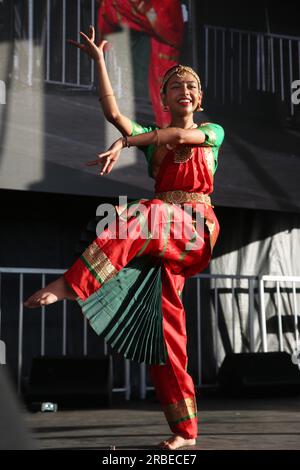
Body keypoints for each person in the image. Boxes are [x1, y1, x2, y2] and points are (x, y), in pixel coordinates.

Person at [24, 26, 224, 450]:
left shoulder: (213, 133)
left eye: (191, 86)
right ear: (164, 98)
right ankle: (185, 431)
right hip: (162, 241)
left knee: (146, 214)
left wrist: (126, 142)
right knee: (165, 336)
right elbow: (114, 112)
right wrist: (99, 62)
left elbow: (176, 137)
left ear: (199, 99)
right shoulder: (153, 140)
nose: (184, 90)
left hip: (193, 227)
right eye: (175, 87)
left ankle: (72, 284)